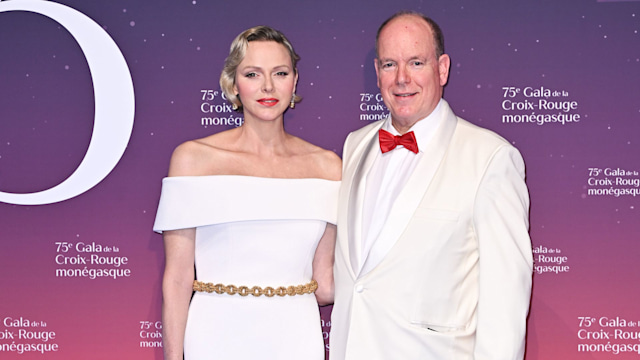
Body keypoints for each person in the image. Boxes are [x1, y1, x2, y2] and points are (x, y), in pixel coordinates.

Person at [330, 11, 533, 360]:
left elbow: (506, 298)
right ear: (377, 73)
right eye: (390, 64)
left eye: (416, 62)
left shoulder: (490, 158)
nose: (402, 79)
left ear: (442, 68)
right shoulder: (355, 145)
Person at [153, 26, 341, 360]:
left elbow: (324, 284)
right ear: (233, 83)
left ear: (294, 82)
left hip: (296, 336)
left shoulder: (327, 167)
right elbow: (178, 279)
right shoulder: (193, 160)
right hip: (215, 335)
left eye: (280, 73)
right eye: (253, 74)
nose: (268, 86)